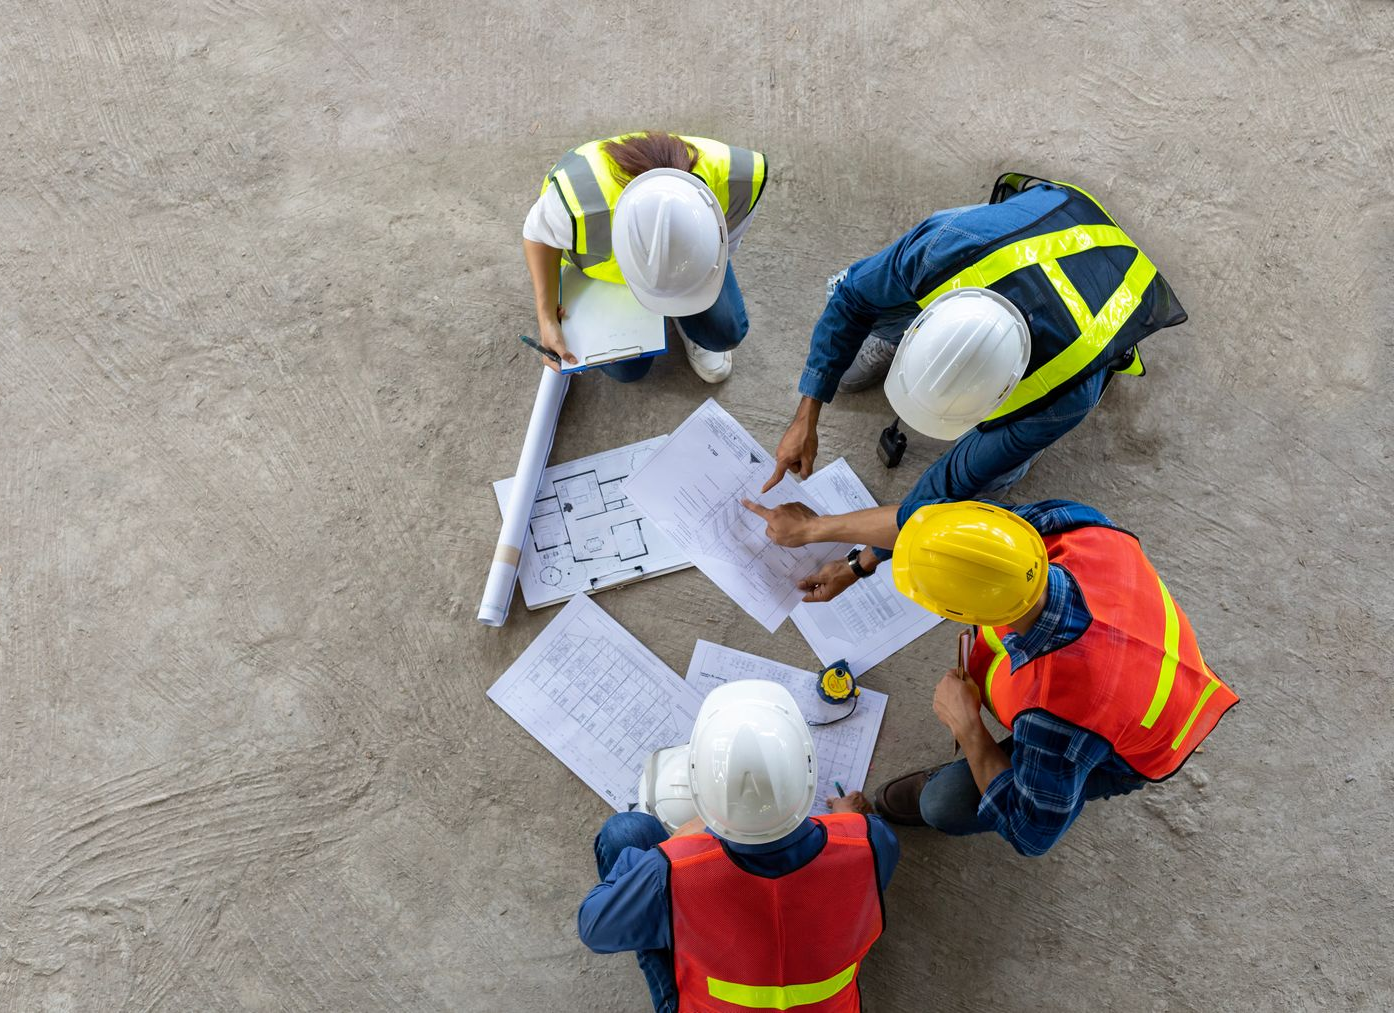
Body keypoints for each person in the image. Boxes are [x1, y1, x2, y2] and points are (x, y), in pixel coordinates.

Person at [760, 174, 1187, 601]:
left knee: (992, 474)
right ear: (928, 324)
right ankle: (893, 331)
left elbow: (937, 498)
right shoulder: (945, 247)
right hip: (1033, 233)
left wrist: (844, 552)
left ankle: (1015, 455)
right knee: (856, 288)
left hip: (1101, 282)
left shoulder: (1060, 399)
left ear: (1002, 392)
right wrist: (806, 414)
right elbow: (852, 300)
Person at [812, 498, 1237, 856]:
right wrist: (850, 558)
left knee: (943, 804)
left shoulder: (1059, 709)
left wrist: (969, 728)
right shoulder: (1068, 526)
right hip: (1149, 666)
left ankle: (986, 776)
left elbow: (1033, 833)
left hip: (1133, 741)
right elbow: (944, 537)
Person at [578, 680, 898, 1012]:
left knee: (626, 832)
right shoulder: (871, 840)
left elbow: (594, 928)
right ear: (807, 773)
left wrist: (675, 848)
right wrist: (847, 820)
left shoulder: (672, 872)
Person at [523, 131, 767, 384]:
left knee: (725, 333)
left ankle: (688, 321)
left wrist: (687, 280)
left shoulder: (738, 182)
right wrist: (547, 317)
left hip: (687, 270)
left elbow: (728, 247)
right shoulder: (577, 207)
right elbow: (536, 235)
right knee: (626, 370)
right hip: (601, 277)